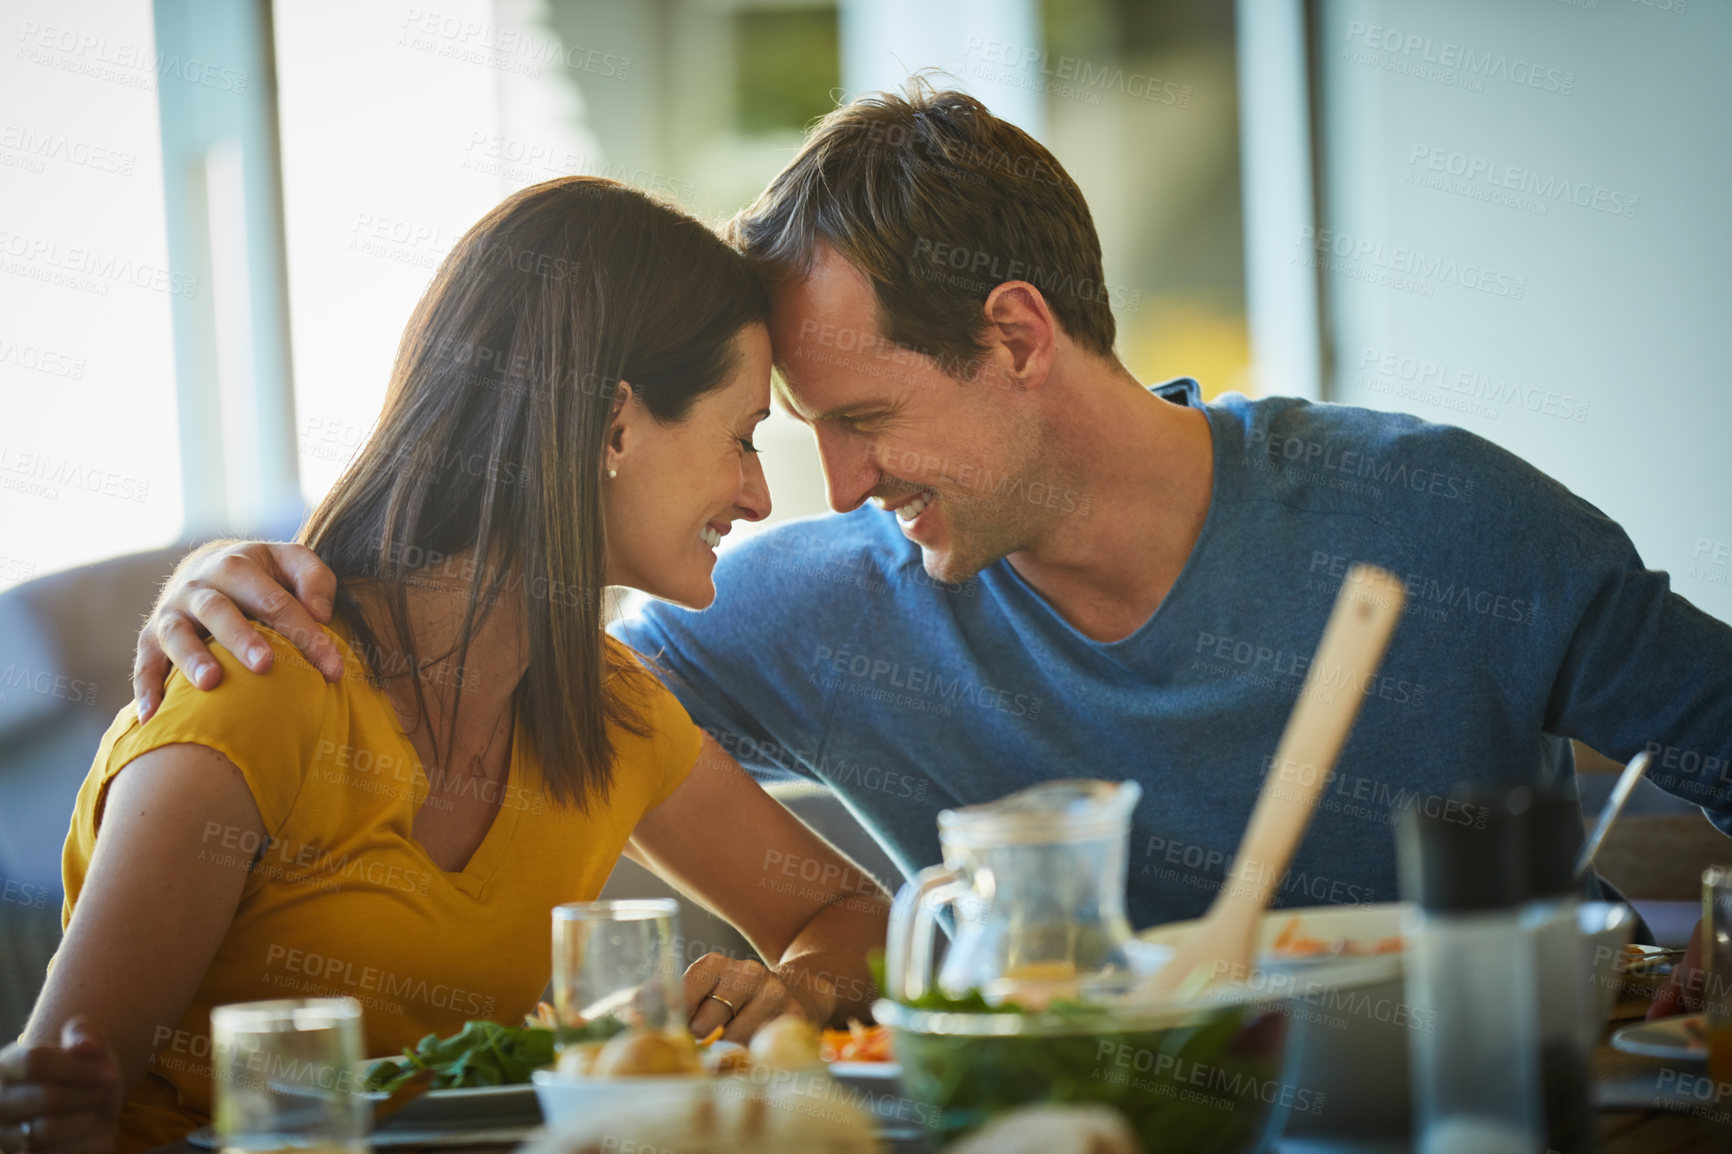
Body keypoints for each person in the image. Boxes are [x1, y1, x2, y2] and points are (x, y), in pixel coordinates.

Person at [130, 86, 1730, 987]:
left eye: (863, 422)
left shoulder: (1438, 518)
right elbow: (482, 643)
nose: (830, 490)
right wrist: (257, 569)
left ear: (1019, 336)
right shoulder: (803, 608)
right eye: (792, 429)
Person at [0, 178, 889, 1154]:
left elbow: (847, 912)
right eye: (743, 437)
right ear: (613, 425)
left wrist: (790, 989)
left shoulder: (606, 711)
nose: (758, 495)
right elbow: (56, 1105)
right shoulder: (254, 688)